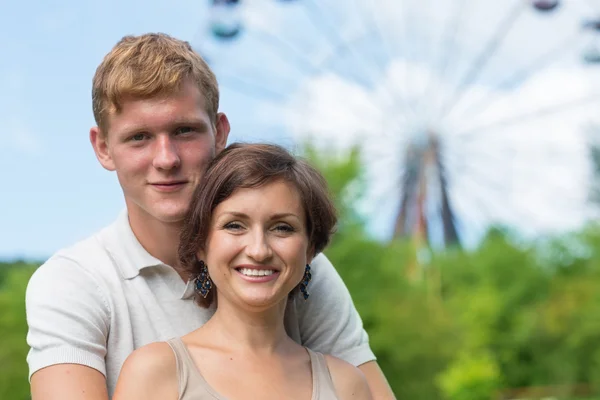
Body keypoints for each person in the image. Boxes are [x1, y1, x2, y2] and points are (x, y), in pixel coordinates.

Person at [25, 33, 395, 399]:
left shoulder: (292, 269)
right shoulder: (75, 284)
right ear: (103, 148)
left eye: (184, 131)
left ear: (219, 133)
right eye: (139, 137)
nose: (166, 159)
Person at [112, 142, 373, 400]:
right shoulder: (154, 373)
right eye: (235, 225)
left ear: (310, 249)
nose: (259, 250)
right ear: (201, 243)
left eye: (282, 227)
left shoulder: (347, 386)